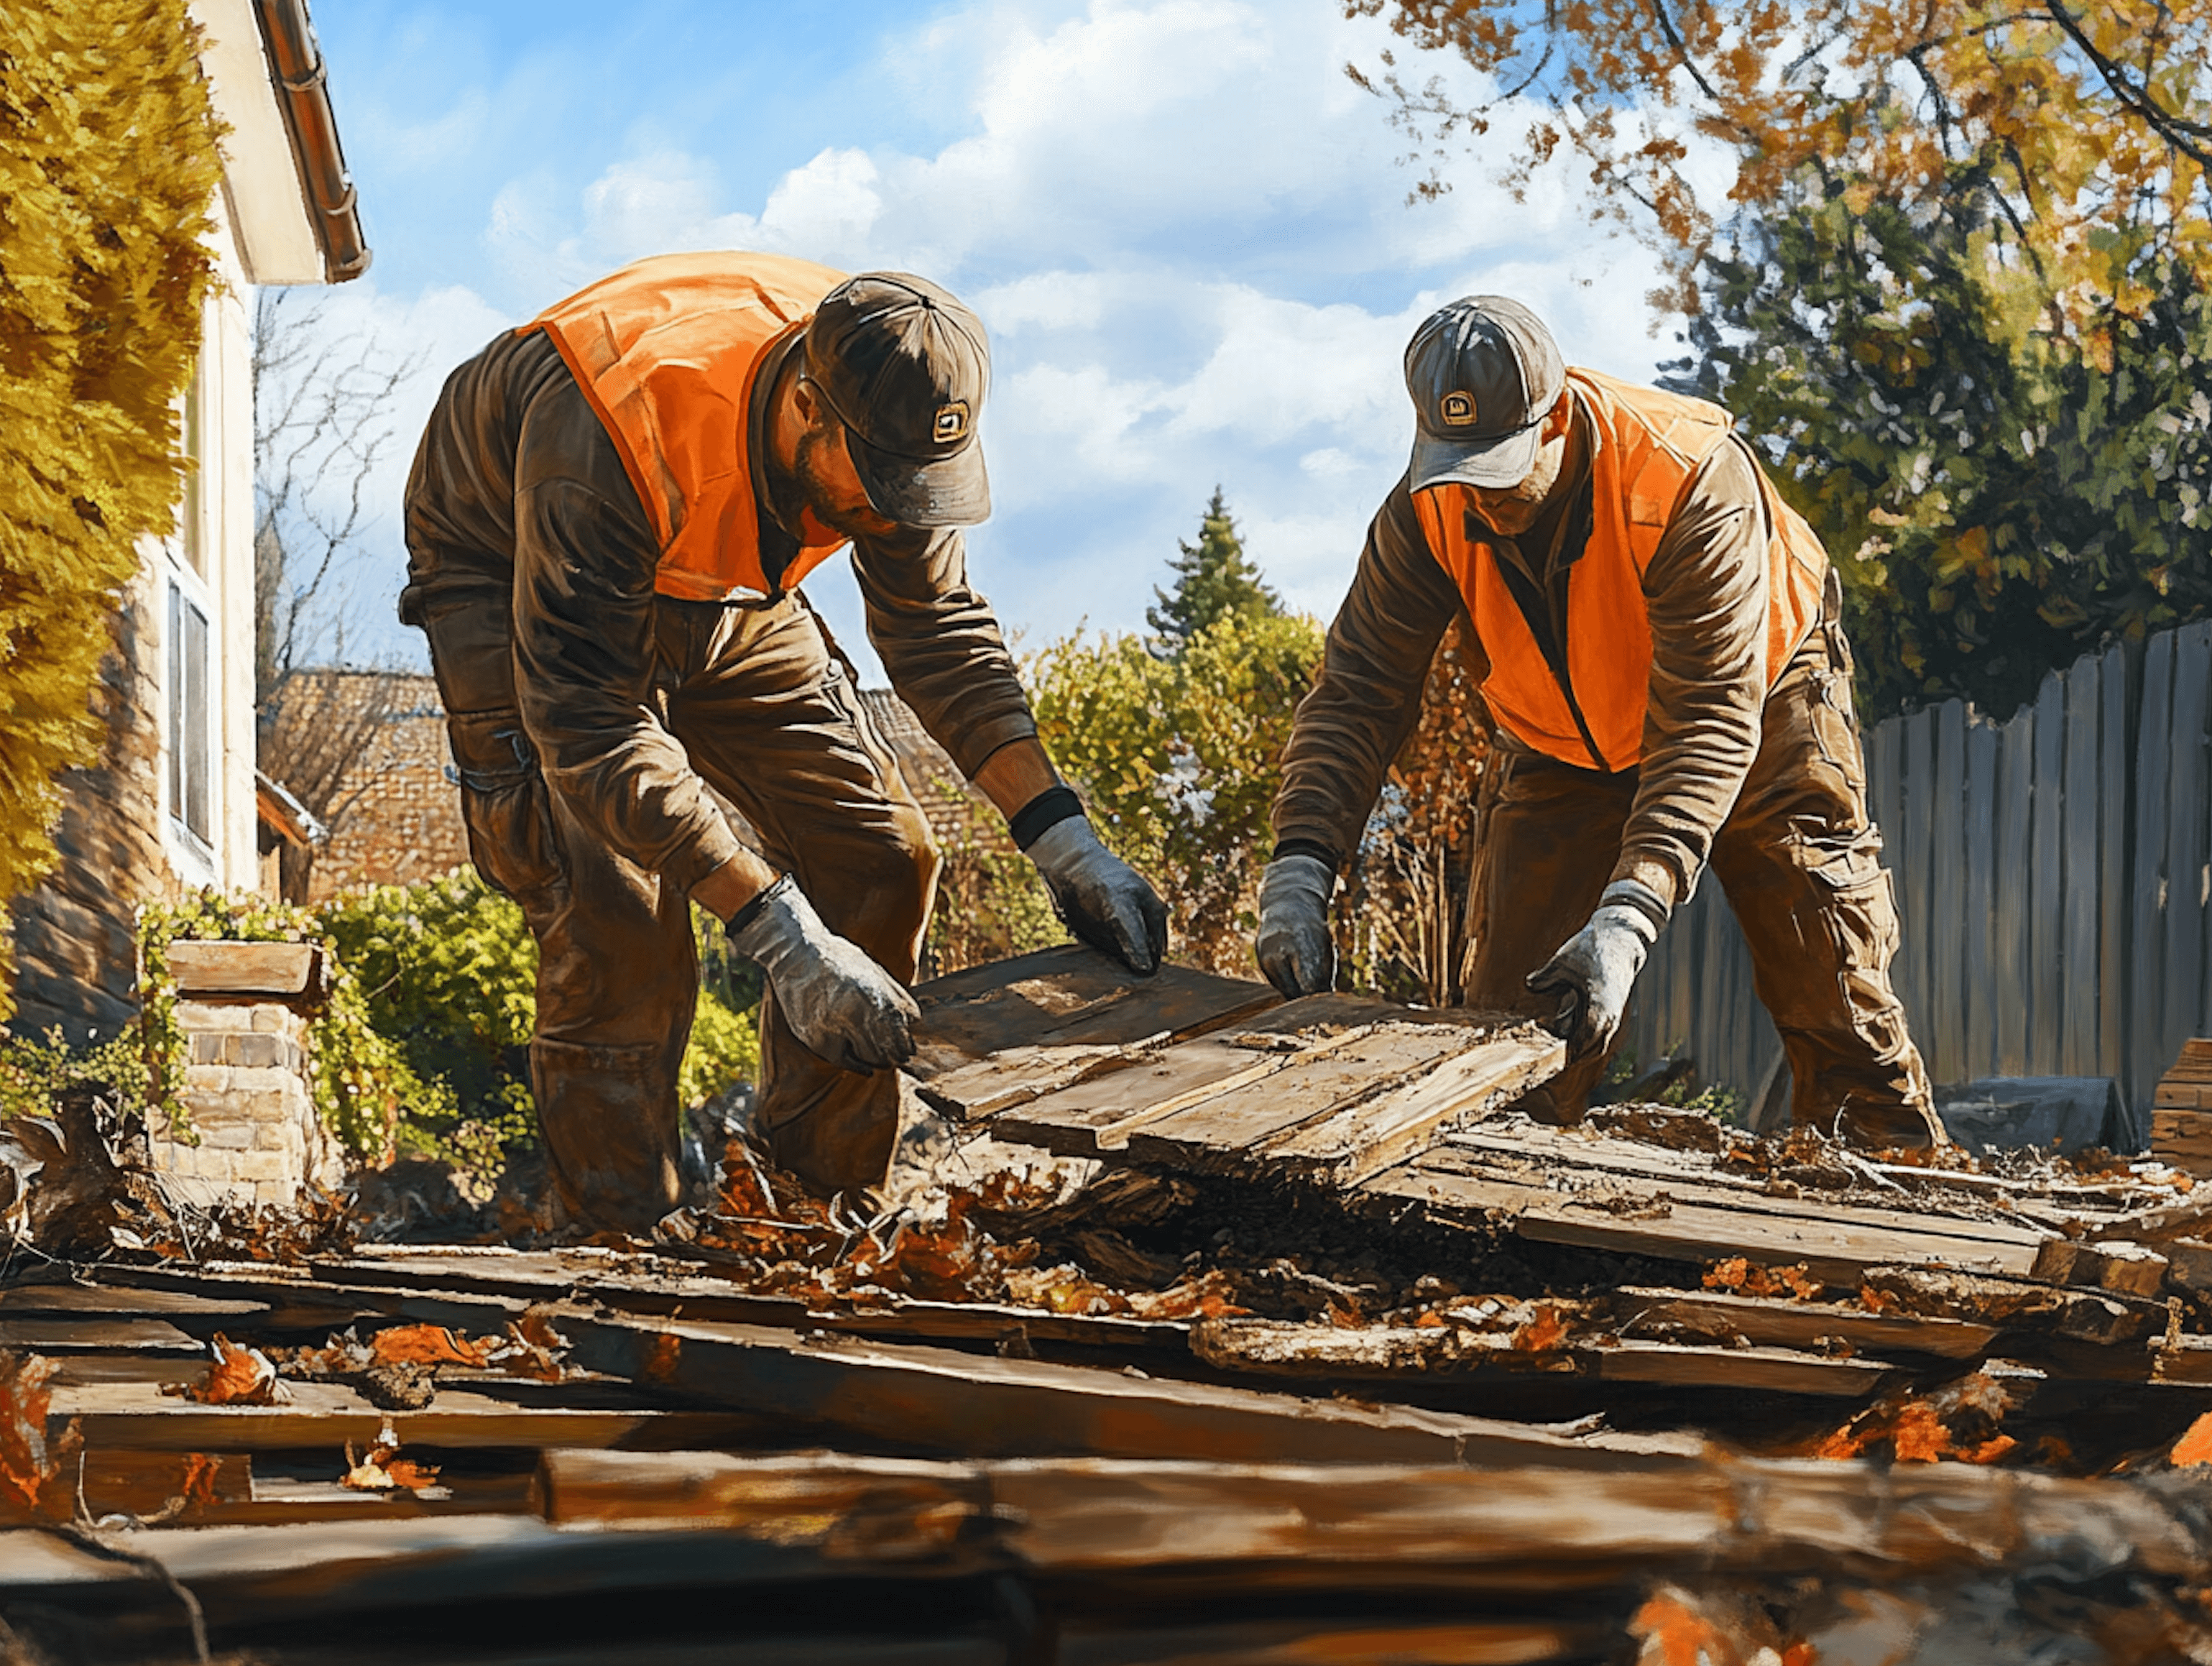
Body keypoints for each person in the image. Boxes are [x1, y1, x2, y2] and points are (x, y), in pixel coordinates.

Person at [400, 251, 1168, 1228]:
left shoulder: (895, 397)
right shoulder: (612, 426)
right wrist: (785, 937)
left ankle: (810, 1215)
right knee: (616, 913)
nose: (897, 508)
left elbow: (937, 630)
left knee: (885, 855)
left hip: (717, 571)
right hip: (515, 558)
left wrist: (1064, 839)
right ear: (808, 404)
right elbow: (591, 726)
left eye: (916, 484)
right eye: (882, 481)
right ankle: (622, 1240)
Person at [1254, 295, 1945, 1149]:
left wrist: (1627, 916)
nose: (1482, 497)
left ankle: (1900, 1200)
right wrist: (1300, 867)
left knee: (1829, 982)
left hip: (1760, 703)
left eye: (1499, 468)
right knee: (1512, 1040)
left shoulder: (1684, 476)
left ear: (1556, 421)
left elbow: (1705, 717)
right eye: (1459, 467)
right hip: (1561, 740)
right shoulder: (1428, 510)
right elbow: (1360, 688)